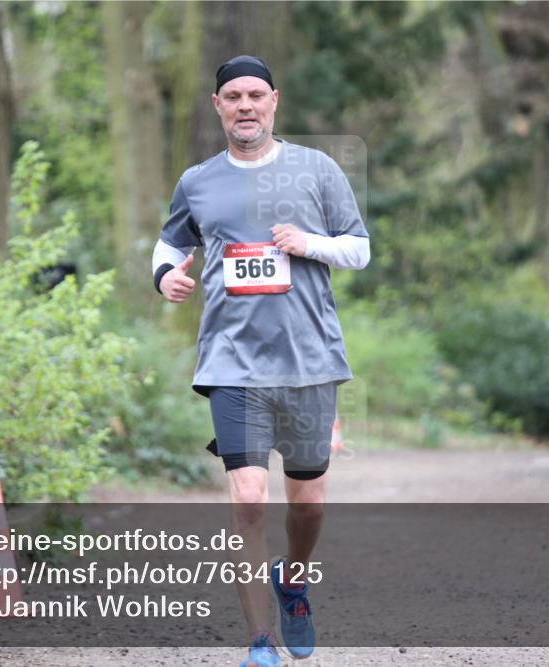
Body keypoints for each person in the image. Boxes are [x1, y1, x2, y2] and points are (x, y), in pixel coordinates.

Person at [151, 55, 370, 667]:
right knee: (248, 497)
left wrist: (308, 244)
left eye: (255, 95)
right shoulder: (198, 181)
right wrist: (165, 276)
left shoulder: (317, 169)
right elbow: (169, 243)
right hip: (232, 364)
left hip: (309, 361)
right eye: (233, 96)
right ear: (217, 106)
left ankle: (293, 580)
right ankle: (258, 643)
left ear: (274, 101)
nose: (244, 105)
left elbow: (359, 248)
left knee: (308, 505)